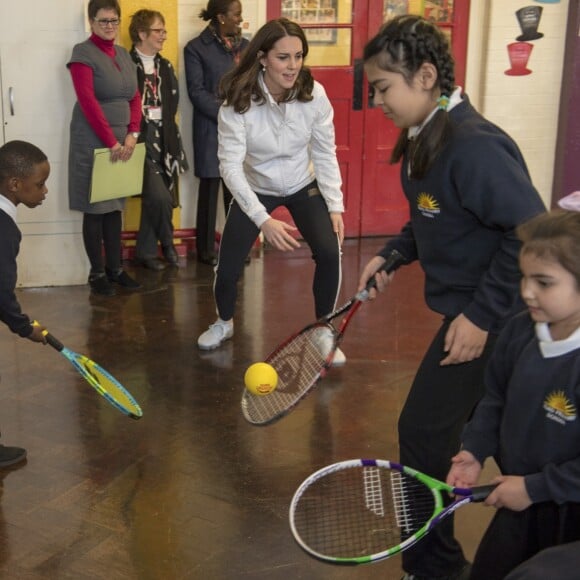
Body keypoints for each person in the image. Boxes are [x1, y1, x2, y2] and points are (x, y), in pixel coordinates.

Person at [356, 15, 546, 580]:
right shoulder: (427, 136)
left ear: (426, 75)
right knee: (517, 447)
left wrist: (481, 315)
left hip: (502, 319)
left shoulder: (473, 146)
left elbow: (530, 232)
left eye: (385, 87)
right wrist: (393, 253)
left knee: (423, 431)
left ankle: (433, 567)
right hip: (479, 315)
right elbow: (436, 218)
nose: (377, 101)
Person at [196, 18, 345, 363]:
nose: (293, 66)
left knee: (329, 250)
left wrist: (335, 206)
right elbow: (229, 168)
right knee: (228, 266)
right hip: (256, 187)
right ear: (262, 58)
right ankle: (224, 322)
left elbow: (325, 152)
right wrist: (263, 220)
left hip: (300, 184)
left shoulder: (314, 94)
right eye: (283, 57)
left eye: (298, 56)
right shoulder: (237, 100)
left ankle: (324, 330)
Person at [446, 209, 580, 580]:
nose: (526, 292)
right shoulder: (520, 330)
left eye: (544, 282)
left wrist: (536, 488)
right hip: (520, 497)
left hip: (570, 511)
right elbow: (495, 399)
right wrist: (474, 450)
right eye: (524, 278)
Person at [67, 0, 141, 296]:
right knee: (95, 208)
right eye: (103, 21)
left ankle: (116, 269)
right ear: (92, 22)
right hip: (94, 138)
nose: (110, 26)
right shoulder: (82, 53)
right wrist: (110, 140)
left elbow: (135, 97)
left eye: (114, 20)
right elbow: (87, 101)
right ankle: (97, 273)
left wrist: (132, 133)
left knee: (114, 208)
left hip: (123, 141)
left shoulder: (123, 54)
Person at [184, 0, 249, 266]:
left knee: (236, 190)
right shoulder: (196, 48)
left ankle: (235, 248)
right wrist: (226, 114)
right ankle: (206, 250)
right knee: (210, 190)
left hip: (241, 129)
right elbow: (196, 92)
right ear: (221, 17)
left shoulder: (246, 47)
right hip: (211, 128)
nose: (240, 20)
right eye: (237, 15)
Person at [0, 141, 50, 466]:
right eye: (40, 184)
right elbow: (1, 292)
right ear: (15, 185)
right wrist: (23, 326)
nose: (45, 191)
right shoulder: (4, 230)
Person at [129, 9, 189, 271]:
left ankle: (144, 252)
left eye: (164, 31)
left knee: (156, 199)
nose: (164, 36)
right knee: (161, 198)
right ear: (142, 34)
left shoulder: (165, 66)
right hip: (139, 140)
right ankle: (168, 243)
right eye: (158, 31)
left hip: (166, 140)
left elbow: (172, 104)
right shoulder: (127, 64)